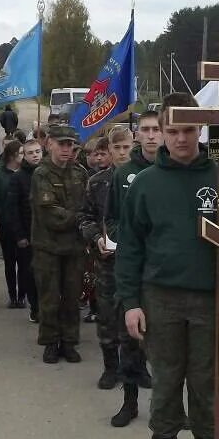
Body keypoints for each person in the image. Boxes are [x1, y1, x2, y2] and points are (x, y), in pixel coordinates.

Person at [116, 92, 219, 439]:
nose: (180, 139)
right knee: (165, 384)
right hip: (160, 298)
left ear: (200, 130)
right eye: (172, 130)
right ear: (159, 131)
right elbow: (130, 249)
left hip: (211, 298)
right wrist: (130, 302)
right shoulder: (144, 184)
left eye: (188, 130)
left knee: (205, 385)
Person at [105, 109, 160, 427]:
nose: (151, 135)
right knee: (129, 337)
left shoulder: (173, 170)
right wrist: (126, 237)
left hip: (164, 269)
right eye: (146, 129)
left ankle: (170, 408)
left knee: (166, 342)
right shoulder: (124, 173)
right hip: (131, 268)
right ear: (137, 134)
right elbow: (110, 218)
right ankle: (129, 402)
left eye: (157, 129)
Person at [79, 126, 133, 389]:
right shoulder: (97, 182)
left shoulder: (145, 177)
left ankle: (135, 368)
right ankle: (111, 367)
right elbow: (85, 217)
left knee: (138, 316)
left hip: (138, 262)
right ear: (109, 150)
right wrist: (96, 238)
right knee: (107, 316)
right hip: (108, 262)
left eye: (126, 147)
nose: (122, 153)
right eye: (117, 148)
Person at [31, 124, 88, 365]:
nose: (66, 149)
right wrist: (78, 217)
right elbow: (50, 215)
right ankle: (50, 342)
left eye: (70, 145)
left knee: (72, 297)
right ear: (49, 144)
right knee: (49, 297)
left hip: (74, 248)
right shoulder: (41, 174)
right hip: (48, 247)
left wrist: (80, 217)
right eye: (61, 144)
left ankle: (69, 342)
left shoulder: (80, 173)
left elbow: (90, 206)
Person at [2, 138, 41, 320]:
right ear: (23, 156)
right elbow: (12, 209)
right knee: (30, 274)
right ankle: (35, 308)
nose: (35, 155)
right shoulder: (18, 178)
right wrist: (19, 235)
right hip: (28, 234)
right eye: (31, 152)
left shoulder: (46, 174)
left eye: (38, 152)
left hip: (47, 235)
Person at [0, 140, 25, 308]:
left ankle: (22, 296)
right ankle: (13, 296)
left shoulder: (26, 173)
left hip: (24, 225)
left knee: (24, 262)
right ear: (12, 155)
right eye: (21, 153)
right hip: (6, 226)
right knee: (10, 262)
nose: (24, 156)